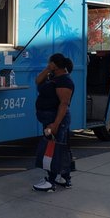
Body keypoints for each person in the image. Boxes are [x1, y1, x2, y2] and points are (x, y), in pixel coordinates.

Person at [33, 53, 75, 191]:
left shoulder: (64, 81)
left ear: (56, 65)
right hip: (48, 118)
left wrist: (55, 124)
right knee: (60, 148)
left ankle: (50, 181)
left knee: (53, 148)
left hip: (56, 119)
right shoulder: (53, 77)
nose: (48, 65)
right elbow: (38, 81)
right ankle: (64, 178)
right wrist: (47, 69)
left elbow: (64, 104)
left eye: (50, 63)